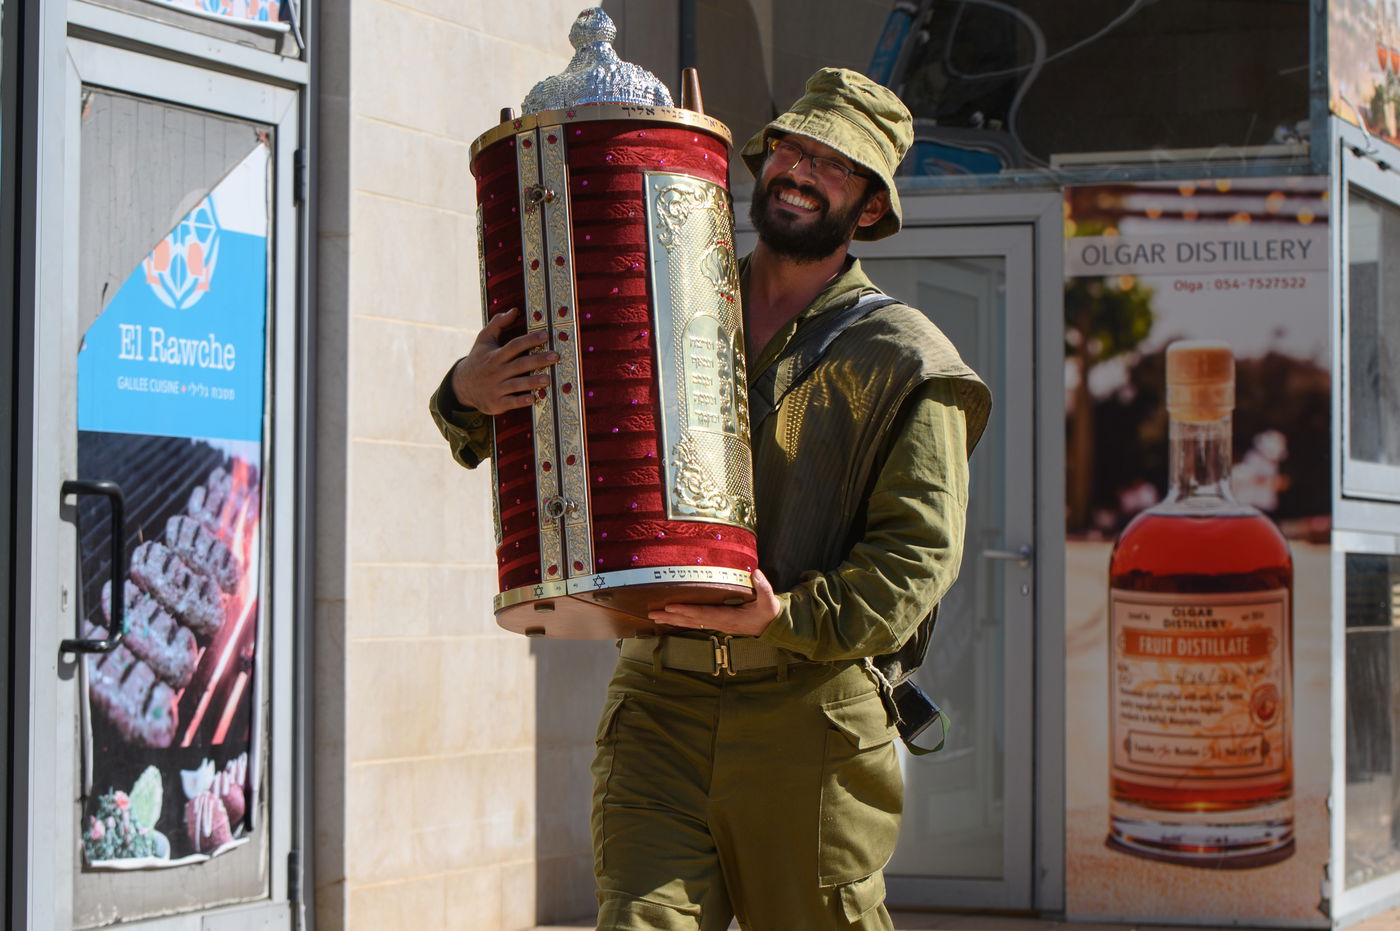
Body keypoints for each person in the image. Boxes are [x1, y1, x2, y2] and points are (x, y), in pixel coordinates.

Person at [431, 68, 989, 931]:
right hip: (661, 702)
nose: (798, 170)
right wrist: (470, 392)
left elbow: (916, 563)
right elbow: (567, 438)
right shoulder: (660, 303)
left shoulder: (911, 361)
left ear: (870, 208)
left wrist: (785, 615)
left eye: (831, 164)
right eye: (791, 149)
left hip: (809, 718)